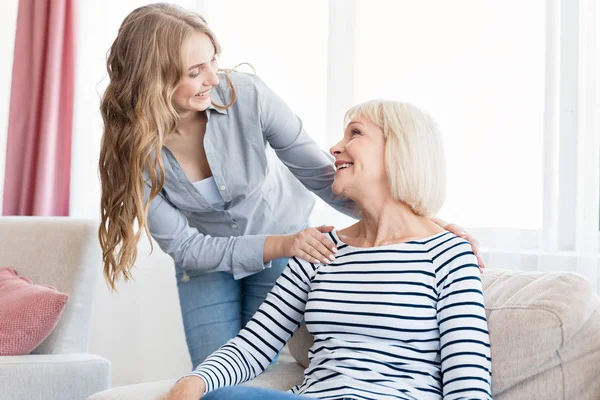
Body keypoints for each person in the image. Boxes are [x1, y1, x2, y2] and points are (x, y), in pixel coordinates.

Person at [98, 3, 485, 370]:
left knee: (266, 368)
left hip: (285, 237)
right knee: (212, 371)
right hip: (209, 260)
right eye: (195, 71)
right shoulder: (130, 150)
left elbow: (321, 173)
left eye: (213, 60)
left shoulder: (245, 95)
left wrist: (420, 223)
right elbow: (186, 246)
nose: (215, 78)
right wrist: (283, 243)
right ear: (155, 79)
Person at [166, 100, 492, 400]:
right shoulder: (320, 248)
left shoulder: (449, 254)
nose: (335, 148)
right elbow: (255, 343)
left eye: (355, 133)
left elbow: (468, 383)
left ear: (399, 150)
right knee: (217, 396)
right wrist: (193, 382)